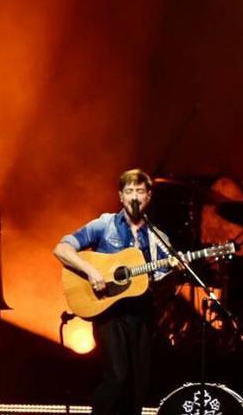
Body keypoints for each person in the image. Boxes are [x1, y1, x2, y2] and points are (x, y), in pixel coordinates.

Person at [52, 168, 173, 415]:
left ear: (149, 196)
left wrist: (172, 269)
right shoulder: (103, 225)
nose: (135, 197)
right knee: (117, 378)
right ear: (120, 196)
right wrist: (91, 271)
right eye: (129, 191)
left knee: (138, 386)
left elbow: (161, 279)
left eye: (140, 191)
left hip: (142, 314)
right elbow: (62, 249)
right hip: (109, 312)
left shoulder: (158, 238)